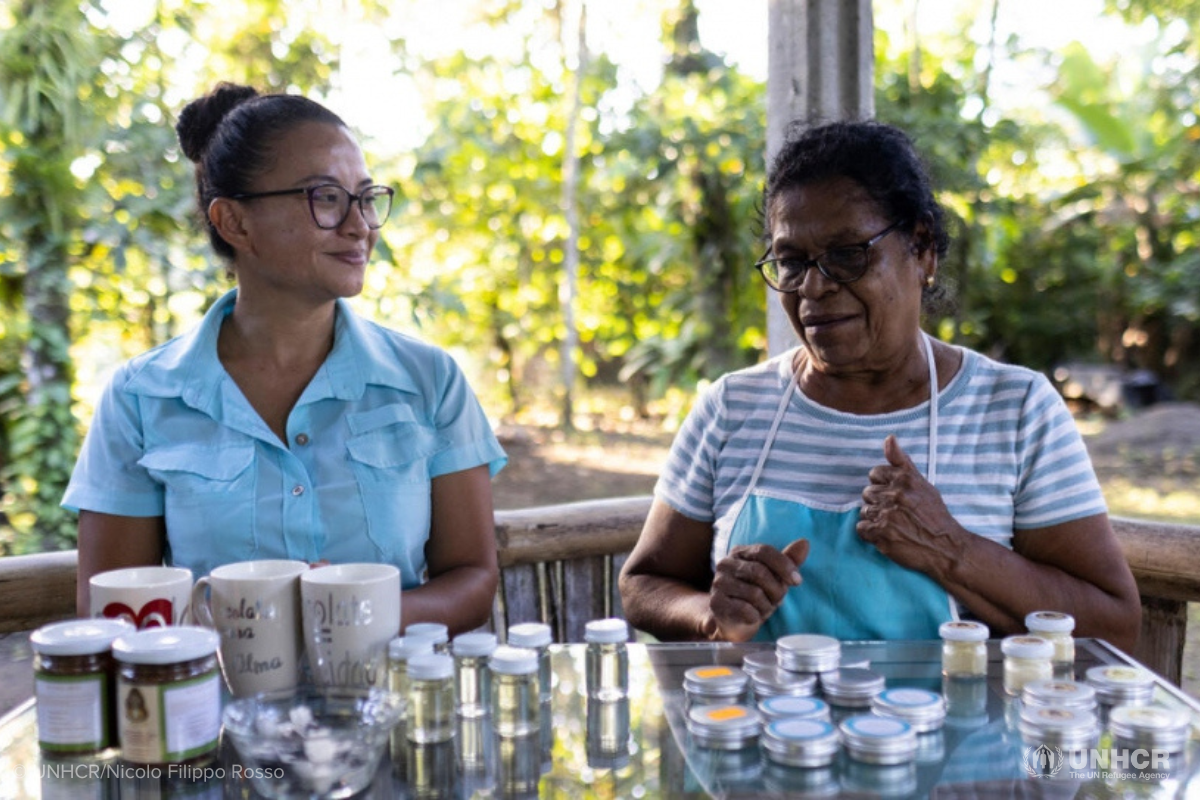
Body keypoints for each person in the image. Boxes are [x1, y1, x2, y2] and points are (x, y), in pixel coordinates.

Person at [619, 120, 1141, 650]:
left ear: (922, 251)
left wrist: (951, 549)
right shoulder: (732, 407)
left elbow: (1114, 624)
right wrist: (710, 613)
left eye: (848, 254)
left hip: (957, 731)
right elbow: (642, 584)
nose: (814, 288)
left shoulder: (1016, 410)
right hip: (768, 730)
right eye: (791, 262)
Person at [64, 83, 506, 635]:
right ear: (234, 222)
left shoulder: (429, 381)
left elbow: (472, 579)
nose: (360, 225)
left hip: (390, 709)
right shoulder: (140, 397)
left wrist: (350, 611)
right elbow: (115, 612)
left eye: (365, 198)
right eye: (325, 197)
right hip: (213, 716)